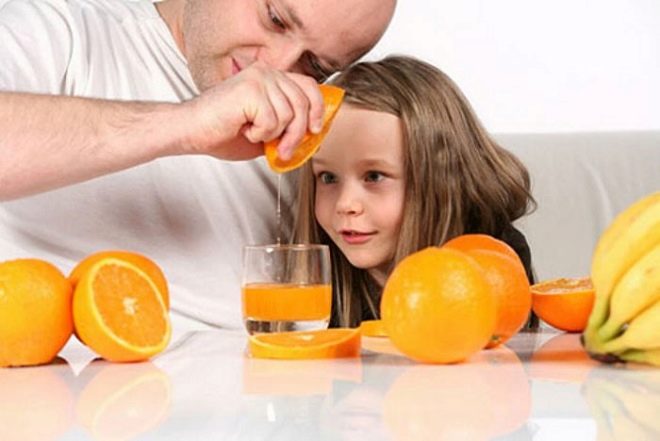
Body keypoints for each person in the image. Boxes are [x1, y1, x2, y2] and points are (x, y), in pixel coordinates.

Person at [0, 0, 396, 330]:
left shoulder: (307, 135)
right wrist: (187, 124)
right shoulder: (59, 34)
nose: (278, 66)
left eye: (316, 65)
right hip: (65, 411)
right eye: (274, 19)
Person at [294, 55, 536, 328]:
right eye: (328, 177)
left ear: (438, 180)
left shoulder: (491, 260)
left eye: (374, 176)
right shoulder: (322, 278)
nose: (345, 204)